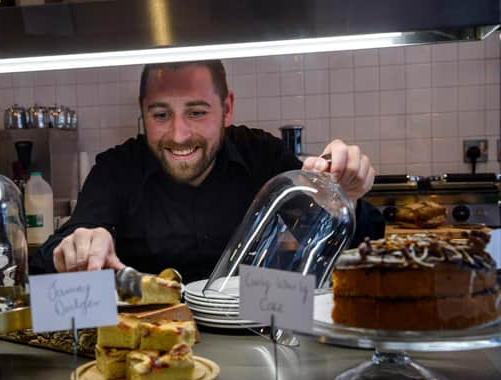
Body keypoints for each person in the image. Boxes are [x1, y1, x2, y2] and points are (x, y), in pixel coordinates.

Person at [30, 60, 384, 282]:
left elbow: (358, 241)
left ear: (227, 108)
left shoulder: (262, 156)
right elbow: (48, 260)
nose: (179, 135)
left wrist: (346, 197)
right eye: (160, 114)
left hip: (256, 341)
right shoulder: (117, 169)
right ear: (142, 111)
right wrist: (73, 251)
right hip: (146, 350)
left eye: (197, 112)